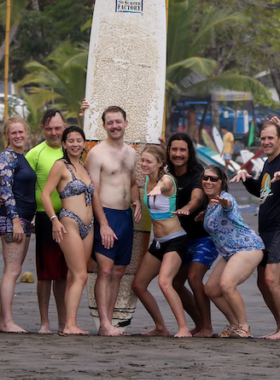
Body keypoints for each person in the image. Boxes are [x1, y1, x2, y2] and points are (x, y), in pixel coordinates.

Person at [230, 121, 280, 340]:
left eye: (271, 137)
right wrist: (246, 178)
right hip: (266, 230)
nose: (267, 142)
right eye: (263, 138)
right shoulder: (268, 164)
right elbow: (262, 188)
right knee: (262, 281)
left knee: (271, 279)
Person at [85, 106, 141, 337]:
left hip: (126, 217)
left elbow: (132, 182)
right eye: (110, 123)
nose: (115, 126)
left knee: (118, 271)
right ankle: (104, 323)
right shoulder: (96, 154)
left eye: (118, 122)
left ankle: (111, 323)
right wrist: (104, 224)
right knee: (105, 270)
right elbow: (93, 192)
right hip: (106, 215)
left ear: (126, 123)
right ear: (105, 125)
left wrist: (136, 201)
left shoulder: (132, 153)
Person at [41, 126, 95, 336]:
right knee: (81, 275)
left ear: (83, 143)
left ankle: (66, 323)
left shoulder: (83, 165)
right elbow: (46, 195)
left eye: (78, 140)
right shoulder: (59, 165)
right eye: (70, 140)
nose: (75, 144)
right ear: (63, 144)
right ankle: (70, 325)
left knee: (76, 276)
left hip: (88, 226)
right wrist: (54, 220)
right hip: (69, 221)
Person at [133, 145, 192, 338]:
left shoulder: (167, 180)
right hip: (158, 242)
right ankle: (160, 327)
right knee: (138, 285)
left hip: (175, 240)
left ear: (160, 163)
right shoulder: (146, 179)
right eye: (142, 160)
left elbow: (164, 185)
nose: (144, 164)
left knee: (165, 282)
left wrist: (158, 187)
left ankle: (183, 328)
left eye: (148, 161)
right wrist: (136, 203)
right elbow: (135, 186)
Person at [201, 165, 266, 338]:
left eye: (213, 179)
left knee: (227, 285)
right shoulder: (209, 204)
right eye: (205, 178)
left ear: (221, 182)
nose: (208, 181)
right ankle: (234, 325)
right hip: (230, 252)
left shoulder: (225, 198)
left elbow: (229, 206)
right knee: (211, 289)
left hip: (247, 247)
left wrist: (225, 204)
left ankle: (244, 327)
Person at [167, 133, 218, 337]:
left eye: (182, 150)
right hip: (181, 240)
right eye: (174, 149)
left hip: (203, 237)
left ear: (189, 153)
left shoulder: (197, 174)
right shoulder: (167, 173)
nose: (178, 154)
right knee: (176, 283)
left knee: (194, 277)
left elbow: (197, 198)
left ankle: (207, 327)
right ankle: (200, 324)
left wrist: (188, 208)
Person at [26, 109, 68, 333]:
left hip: (70, 218)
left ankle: (64, 322)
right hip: (45, 217)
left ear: (64, 127)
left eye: (58, 128)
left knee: (63, 274)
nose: (54, 133)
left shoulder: (71, 150)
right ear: (42, 129)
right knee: (45, 274)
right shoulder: (34, 154)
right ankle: (44, 322)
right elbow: (21, 183)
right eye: (49, 128)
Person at [0, 116, 36, 333]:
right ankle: (6, 321)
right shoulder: (7, 157)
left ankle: (6, 320)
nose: (18, 136)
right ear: (7, 135)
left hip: (24, 218)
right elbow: (6, 191)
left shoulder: (23, 157)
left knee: (15, 269)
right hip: (13, 218)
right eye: (14, 133)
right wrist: (16, 220)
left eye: (21, 132)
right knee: (11, 270)